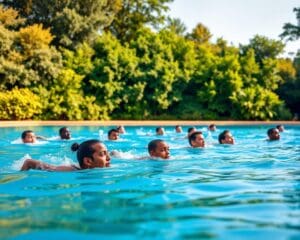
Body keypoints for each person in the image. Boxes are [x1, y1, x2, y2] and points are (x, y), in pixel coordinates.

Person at [21, 139, 110, 171]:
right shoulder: (69, 169)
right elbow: (29, 162)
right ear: (88, 161)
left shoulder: (106, 166)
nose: (108, 158)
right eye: (103, 154)